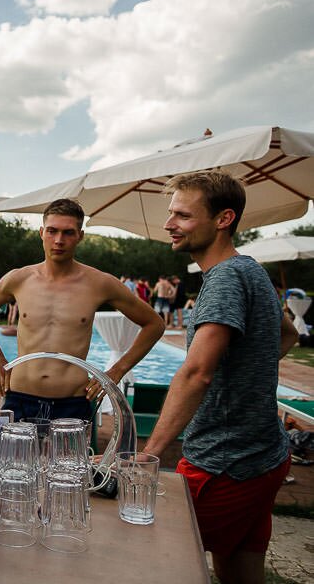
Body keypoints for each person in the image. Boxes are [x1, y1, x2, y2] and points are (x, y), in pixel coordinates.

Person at [142, 171, 297, 584]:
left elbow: (196, 373)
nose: (169, 224)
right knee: (239, 567)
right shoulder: (250, 269)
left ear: (224, 218)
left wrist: (149, 454)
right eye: (170, 213)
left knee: (153, 558)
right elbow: (288, 334)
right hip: (264, 453)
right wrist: (246, 369)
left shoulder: (226, 277)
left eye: (182, 215)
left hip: (225, 462)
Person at [0, 198, 163, 420]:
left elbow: (155, 324)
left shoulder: (99, 283)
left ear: (80, 236)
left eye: (68, 233)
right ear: (41, 233)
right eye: (52, 231)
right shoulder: (19, 279)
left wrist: (117, 371)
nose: (59, 240)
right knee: (15, 457)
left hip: (72, 401)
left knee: (69, 457)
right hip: (20, 395)